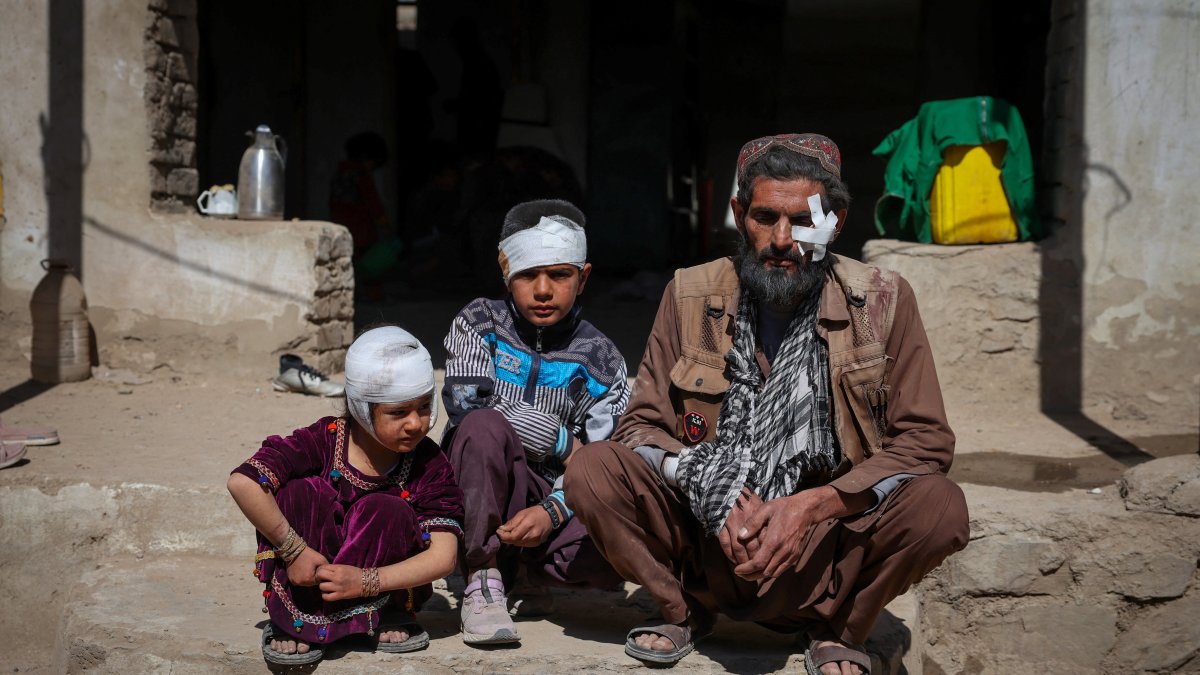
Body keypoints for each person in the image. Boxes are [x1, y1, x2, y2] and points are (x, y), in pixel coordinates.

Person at [565, 134, 970, 674]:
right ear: (738, 213)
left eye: (803, 221)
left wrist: (815, 505)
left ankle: (839, 631)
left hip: (825, 550)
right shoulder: (690, 294)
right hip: (709, 542)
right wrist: (713, 486)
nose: (782, 239)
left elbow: (925, 442)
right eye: (763, 218)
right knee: (592, 469)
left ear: (836, 220)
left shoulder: (882, 299)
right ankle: (681, 610)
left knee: (940, 507)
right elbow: (641, 426)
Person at [441, 198, 628, 645]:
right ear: (507, 275)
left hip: (549, 498)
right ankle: (483, 574)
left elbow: (602, 459)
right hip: (479, 480)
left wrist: (552, 511)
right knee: (483, 428)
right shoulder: (478, 322)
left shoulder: (603, 361)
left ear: (582, 278)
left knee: (620, 529)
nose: (543, 290)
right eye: (527, 275)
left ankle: (525, 572)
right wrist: (563, 442)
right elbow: (469, 402)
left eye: (560, 275)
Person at [228, 326, 464, 666]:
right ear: (362, 408)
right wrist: (294, 551)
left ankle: (386, 613)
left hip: (382, 593)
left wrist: (366, 582)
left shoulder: (428, 463)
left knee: (388, 508)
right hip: (309, 574)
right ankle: (298, 617)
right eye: (398, 412)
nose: (416, 424)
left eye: (424, 407)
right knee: (298, 492)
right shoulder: (322, 440)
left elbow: (443, 557)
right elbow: (243, 482)